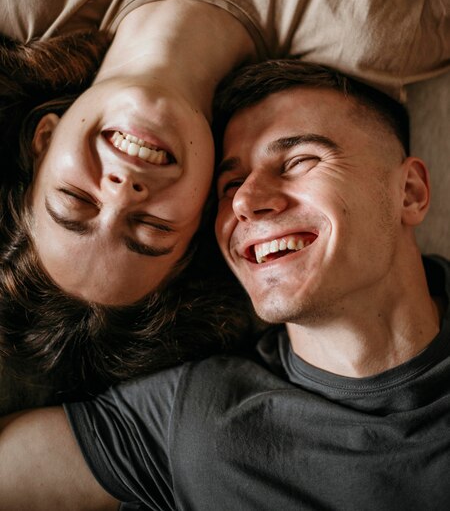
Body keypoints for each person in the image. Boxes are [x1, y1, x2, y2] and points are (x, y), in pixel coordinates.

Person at [1, 0, 449, 405]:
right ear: (205, 212)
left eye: (75, 201)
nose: (123, 192)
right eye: (150, 227)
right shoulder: (369, 36)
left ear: (45, 138)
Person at [1, 59, 449, 510]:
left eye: (297, 161)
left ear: (409, 192)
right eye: (229, 185)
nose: (246, 203)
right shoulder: (189, 420)